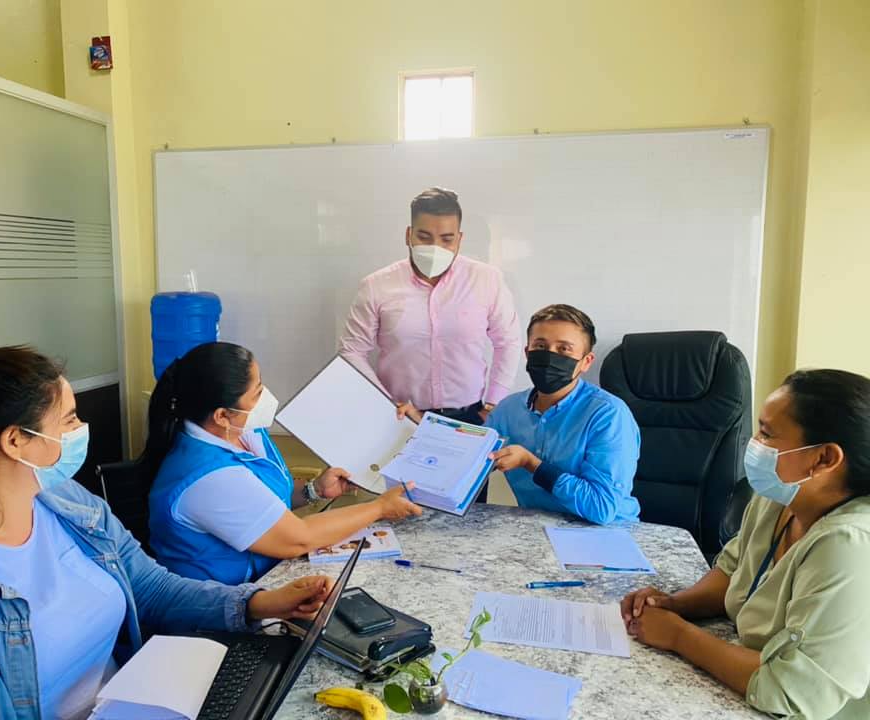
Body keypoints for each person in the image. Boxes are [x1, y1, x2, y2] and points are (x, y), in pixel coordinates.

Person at [0, 329, 336, 719]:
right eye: (69, 420)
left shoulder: (70, 504)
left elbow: (151, 588)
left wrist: (260, 603)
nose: (81, 429)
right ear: (15, 440)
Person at [621, 369, 870, 720]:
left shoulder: (849, 545)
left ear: (824, 458)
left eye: (766, 433)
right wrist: (676, 605)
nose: (754, 443)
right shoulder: (781, 496)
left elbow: (788, 691)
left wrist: (679, 636)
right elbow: (733, 569)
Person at [144, 341, 421, 586]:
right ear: (221, 416)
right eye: (257, 392)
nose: (265, 396)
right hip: (220, 605)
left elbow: (261, 500)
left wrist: (313, 490)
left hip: (267, 578)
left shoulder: (245, 431)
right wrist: (379, 507)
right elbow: (299, 538)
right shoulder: (208, 478)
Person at [339, 186, 521, 427]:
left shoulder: (486, 279)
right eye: (424, 237)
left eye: (447, 239)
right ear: (409, 235)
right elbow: (352, 351)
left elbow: (508, 341)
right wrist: (383, 402)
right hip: (401, 416)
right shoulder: (376, 286)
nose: (435, 248)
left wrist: (494, 401)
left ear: (459, 239)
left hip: (470, 416)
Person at [484, 304, 641, 524]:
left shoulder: (609, 415)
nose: (549, 356)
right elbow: (471, 464)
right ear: (527, 353)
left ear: (586, 362)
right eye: (540, 346)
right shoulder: (507, 410)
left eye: (564, 349)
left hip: (606, 532)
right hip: (534, 529)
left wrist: (532, 464)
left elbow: (601, 507)